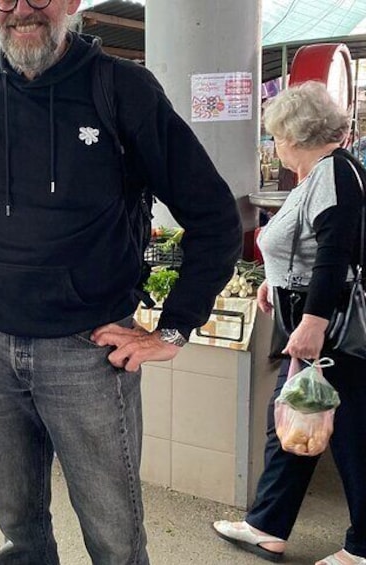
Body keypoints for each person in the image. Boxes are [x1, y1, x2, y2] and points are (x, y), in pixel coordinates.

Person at [0, 0, 242, 562]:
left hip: (87, 353)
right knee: (18, 530)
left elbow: (215, 216)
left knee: (114, 537)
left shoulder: (122, 89)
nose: (23, 10)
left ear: (73, 3)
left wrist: (174, 330)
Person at [213, 82, 366, 565]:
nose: (274, 145)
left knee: (350, 436)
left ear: (295, 135)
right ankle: (267, 526)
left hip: (328, 331)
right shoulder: (324, 173)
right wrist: (273, 284)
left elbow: (335, 255)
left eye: (276, 135)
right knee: (293, 423)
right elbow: (308, 246)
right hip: (309, 322)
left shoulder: (332, 174)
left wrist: (314, 322)